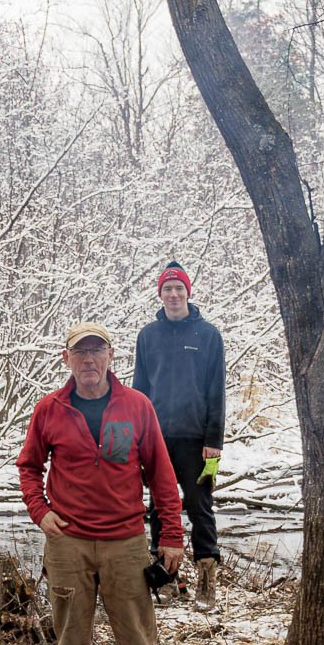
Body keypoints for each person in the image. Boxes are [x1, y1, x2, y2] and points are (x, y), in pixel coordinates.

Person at [17, 322, 184, 645]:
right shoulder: (49, 409)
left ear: (111, 356)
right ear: (65, 358)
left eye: (97, 351)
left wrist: (171, 534)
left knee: (137, 643)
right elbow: (29, 467)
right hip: (68, 544)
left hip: (126, 543)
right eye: (80, 352)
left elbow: (162, 476)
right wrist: (41, 511)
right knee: (72, 643)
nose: (89, 360)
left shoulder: (137, 407)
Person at [133, 260, 227, 611]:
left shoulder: (208, 335)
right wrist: (137, 438)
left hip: (198, 440)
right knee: (159, 507)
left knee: (200, 507)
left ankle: (206, 582)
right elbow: (138, 392)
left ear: (188, 293)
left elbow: (217, 390)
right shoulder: (148, 336)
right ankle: (168, 579)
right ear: (160, 294)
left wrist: (214, 442)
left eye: (179, 289)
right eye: (167, 289)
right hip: (155, 439)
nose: (174, 294)